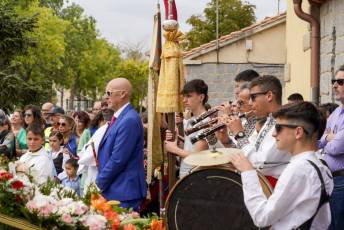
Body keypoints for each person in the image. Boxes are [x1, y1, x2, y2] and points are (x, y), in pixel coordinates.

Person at [229, 102, 333, 230]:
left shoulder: (299, 169)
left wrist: (248, 172)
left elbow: (262, 217)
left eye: (278, 128)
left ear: (298, 132)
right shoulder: (319, 164)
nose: (273, 134)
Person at [218, 75, 290, 187]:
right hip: (262, 182)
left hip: (274, 186)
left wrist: (240, 134)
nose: (250, 103)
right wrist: (226, 140)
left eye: (253, 97)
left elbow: (260, 163)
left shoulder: (284, 123)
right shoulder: (269, 120)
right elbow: (251, 151)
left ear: (269, 96)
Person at [96, 78, 146, 211]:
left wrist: (99, 183)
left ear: (123, 94)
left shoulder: (129, 119)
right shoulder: (122, 117)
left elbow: (118, 159)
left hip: (123, 191)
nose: (106, 97)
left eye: (109, 93)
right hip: (116, 188)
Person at [164, 79, 209, 178]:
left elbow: (199, 157)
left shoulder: (205, 122)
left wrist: (174, 149)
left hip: (196, 177)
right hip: (187, 175)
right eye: (184, 96)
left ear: (201, 97)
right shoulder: (192, 120)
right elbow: (189, 147)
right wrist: (176, 140)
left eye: (189, 96)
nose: (184, 100)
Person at [319, 65, 344, 230]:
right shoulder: (336, 113)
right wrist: (329, 138)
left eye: (340, 82)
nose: (335, 85)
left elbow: (336, 148)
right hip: (329, 179)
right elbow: (318, 140)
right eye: (334, 81)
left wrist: (327, 139)